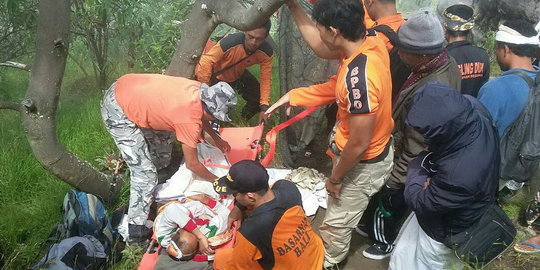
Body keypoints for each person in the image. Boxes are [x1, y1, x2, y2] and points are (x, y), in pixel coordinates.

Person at [268, 0, 394, 267]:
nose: (318, 31)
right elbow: (320, 46)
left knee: (335, 226)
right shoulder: (370, 40)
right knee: (343, 212)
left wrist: (336, 178)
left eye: (320, 26)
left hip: (362, 162)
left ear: (335, 31)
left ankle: (328, 262)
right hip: (363, 151)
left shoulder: (359, 78)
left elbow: (359, 143)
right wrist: (294, 6)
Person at [357, 10, 462, 260]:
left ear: (424, 53)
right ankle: (374, 225)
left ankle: (384, 242)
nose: (399, 53)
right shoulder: (440, 64)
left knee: (390, 197)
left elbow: (417, 143)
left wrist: (397, 176)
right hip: (412, 143)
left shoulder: (431, 89)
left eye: (404, 50)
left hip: (413, 154)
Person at [100, 74, 237, 243]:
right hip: (118, 108)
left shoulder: (200, 91)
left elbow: (204, 115)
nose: (215, 119)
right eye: (215, 116)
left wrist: (217, 139)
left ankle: (154, 191)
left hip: (132, 89)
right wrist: (217, 181)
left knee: (163, 154)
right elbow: (192, 164)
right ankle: (136, 229)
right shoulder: (188, 118)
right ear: (208, 109)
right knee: (145, 173)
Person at [389, 81, 499, 269]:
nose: (424, 138)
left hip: (444, 232)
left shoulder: (461, 174)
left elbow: (419, 201)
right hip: (457, 202)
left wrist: (418, 163)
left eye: (426, 132)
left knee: (411, 263)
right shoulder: (471, 107)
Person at [212, 160, 324, 270]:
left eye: (235, 194)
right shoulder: (287, 187)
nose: (234, 197)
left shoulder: (251, 231)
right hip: (315, 253)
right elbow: (268, 190)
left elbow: (239, 265)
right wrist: (239, 207)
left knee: (221, 260)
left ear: (250, 197)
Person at [477, 19, 540, 200]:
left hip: (492, 171)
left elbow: (476, 138)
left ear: (505, 49)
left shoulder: (495, 89)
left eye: (497, 48)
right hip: (524, 165)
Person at [195, 21, 273, 121]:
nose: (253, 42)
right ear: (245, 32)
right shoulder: (230, 42)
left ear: (265, 37)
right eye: (250, 37)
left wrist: (264, 106)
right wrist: (205, 90)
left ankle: (241, 120)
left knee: (257, 97)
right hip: (217, 76)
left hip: (238, 74)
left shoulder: (266, 52)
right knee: (213, 107)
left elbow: (265, 79)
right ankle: (214, 124)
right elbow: (206, 61)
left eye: (259, 39)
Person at [442, 3, 490, 97]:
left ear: (446, 28)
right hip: (476, 109)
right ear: (469, 29)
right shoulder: (482, 55)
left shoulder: (443, 58)